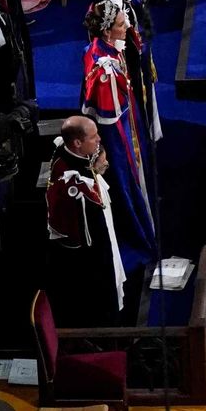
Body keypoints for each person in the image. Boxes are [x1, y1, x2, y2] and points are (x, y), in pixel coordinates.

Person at [81, 0, 157, 270]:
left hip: (126, 116)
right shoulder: (105, 69)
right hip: (119, 135)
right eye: (121, 24)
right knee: (127, 178)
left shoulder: (106, 49)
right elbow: (111, 117)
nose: (127, 27)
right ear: (107, 31)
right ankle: (140, 231)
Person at [44, 115, 127, 328]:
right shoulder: (71, 178)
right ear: (77, 143)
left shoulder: (73, 149)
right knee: (95, 292)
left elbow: (98, 153)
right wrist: (96, 170)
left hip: (93, 228)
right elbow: (91, 198)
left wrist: (97, 163)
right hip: (84, 251)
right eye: (93, 137)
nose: (99, 139)